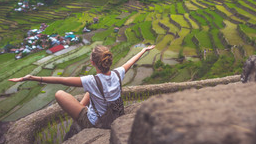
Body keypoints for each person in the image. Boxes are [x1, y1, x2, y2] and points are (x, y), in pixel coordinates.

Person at [9, 44, 155, 128]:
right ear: (109, 61)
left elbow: (61, 80)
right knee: (91, 92)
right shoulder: (118, 73)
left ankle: (81, 116)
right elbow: (131, 61)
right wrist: (143, 50)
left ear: (93, 63)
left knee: (60, 93)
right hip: (115, 115)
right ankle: (84, 108)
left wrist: (33, 77)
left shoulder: (91, 80)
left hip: (96, 122)